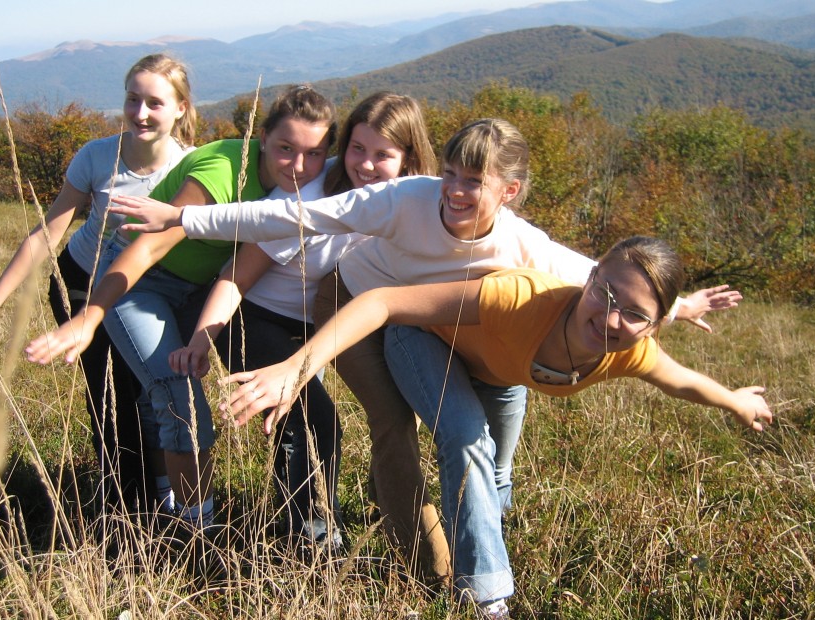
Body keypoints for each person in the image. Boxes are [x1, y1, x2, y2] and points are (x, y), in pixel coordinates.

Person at [107, 118, 741, 588]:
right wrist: (185, 221)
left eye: (476, 183)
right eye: (454, 175)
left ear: (510, 191)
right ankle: (428, 570)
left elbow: (600, 279)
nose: (456, 192)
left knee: (475, 449)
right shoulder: (403, 199)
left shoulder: (524, 245)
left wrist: (679, 308)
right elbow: (298, 219)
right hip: (353, 302)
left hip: (431, 328)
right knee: (393, 424)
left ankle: (474, 538)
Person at [217, 236, 773, 619]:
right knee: (465, 438)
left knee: (494, 479)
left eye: (634, 314)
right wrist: (297, 367)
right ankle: (487, 597)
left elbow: (681, 381)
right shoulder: (518, 297)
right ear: (590, 276)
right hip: (425, 339)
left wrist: (735, 403)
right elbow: (385, 302)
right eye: (606, 293)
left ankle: (456, 524)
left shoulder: (631, 352)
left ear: (654, 324)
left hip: (500, 373)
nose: (610, 318)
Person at [24, 85, 336, 536]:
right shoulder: (224, 170)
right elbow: (148, 248)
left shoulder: (320, 180)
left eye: (313, 153)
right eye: (285, 148)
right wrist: (90, 316)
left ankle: (292, 517)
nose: (298, 165)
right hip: (140, 286)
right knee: (178, 398)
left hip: (205, 289)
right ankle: (194, 531)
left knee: (292, 392)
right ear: (262, 137)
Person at [169, 91, 437, 551]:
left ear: (409, 158)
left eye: (382, 155)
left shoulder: (416, 198)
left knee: (397, 407)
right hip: (257, 320)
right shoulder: (312, 199)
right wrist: (201, 338)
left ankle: (383, 500)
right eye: (357, 149)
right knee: (315, 421)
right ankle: (309, 537)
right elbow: (237, 274)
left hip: (337, 320)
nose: (366, 165)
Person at [0, 53, 195, 514]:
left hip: (145, 290)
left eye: (155, 103)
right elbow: (49, 232)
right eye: (132, 100)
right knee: (107, 391)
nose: (141, 113)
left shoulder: (188, 168)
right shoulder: (97, 155)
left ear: (181, 109)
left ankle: (158, 491)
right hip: (81, 282)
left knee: (148, 392)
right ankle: (123, 500)